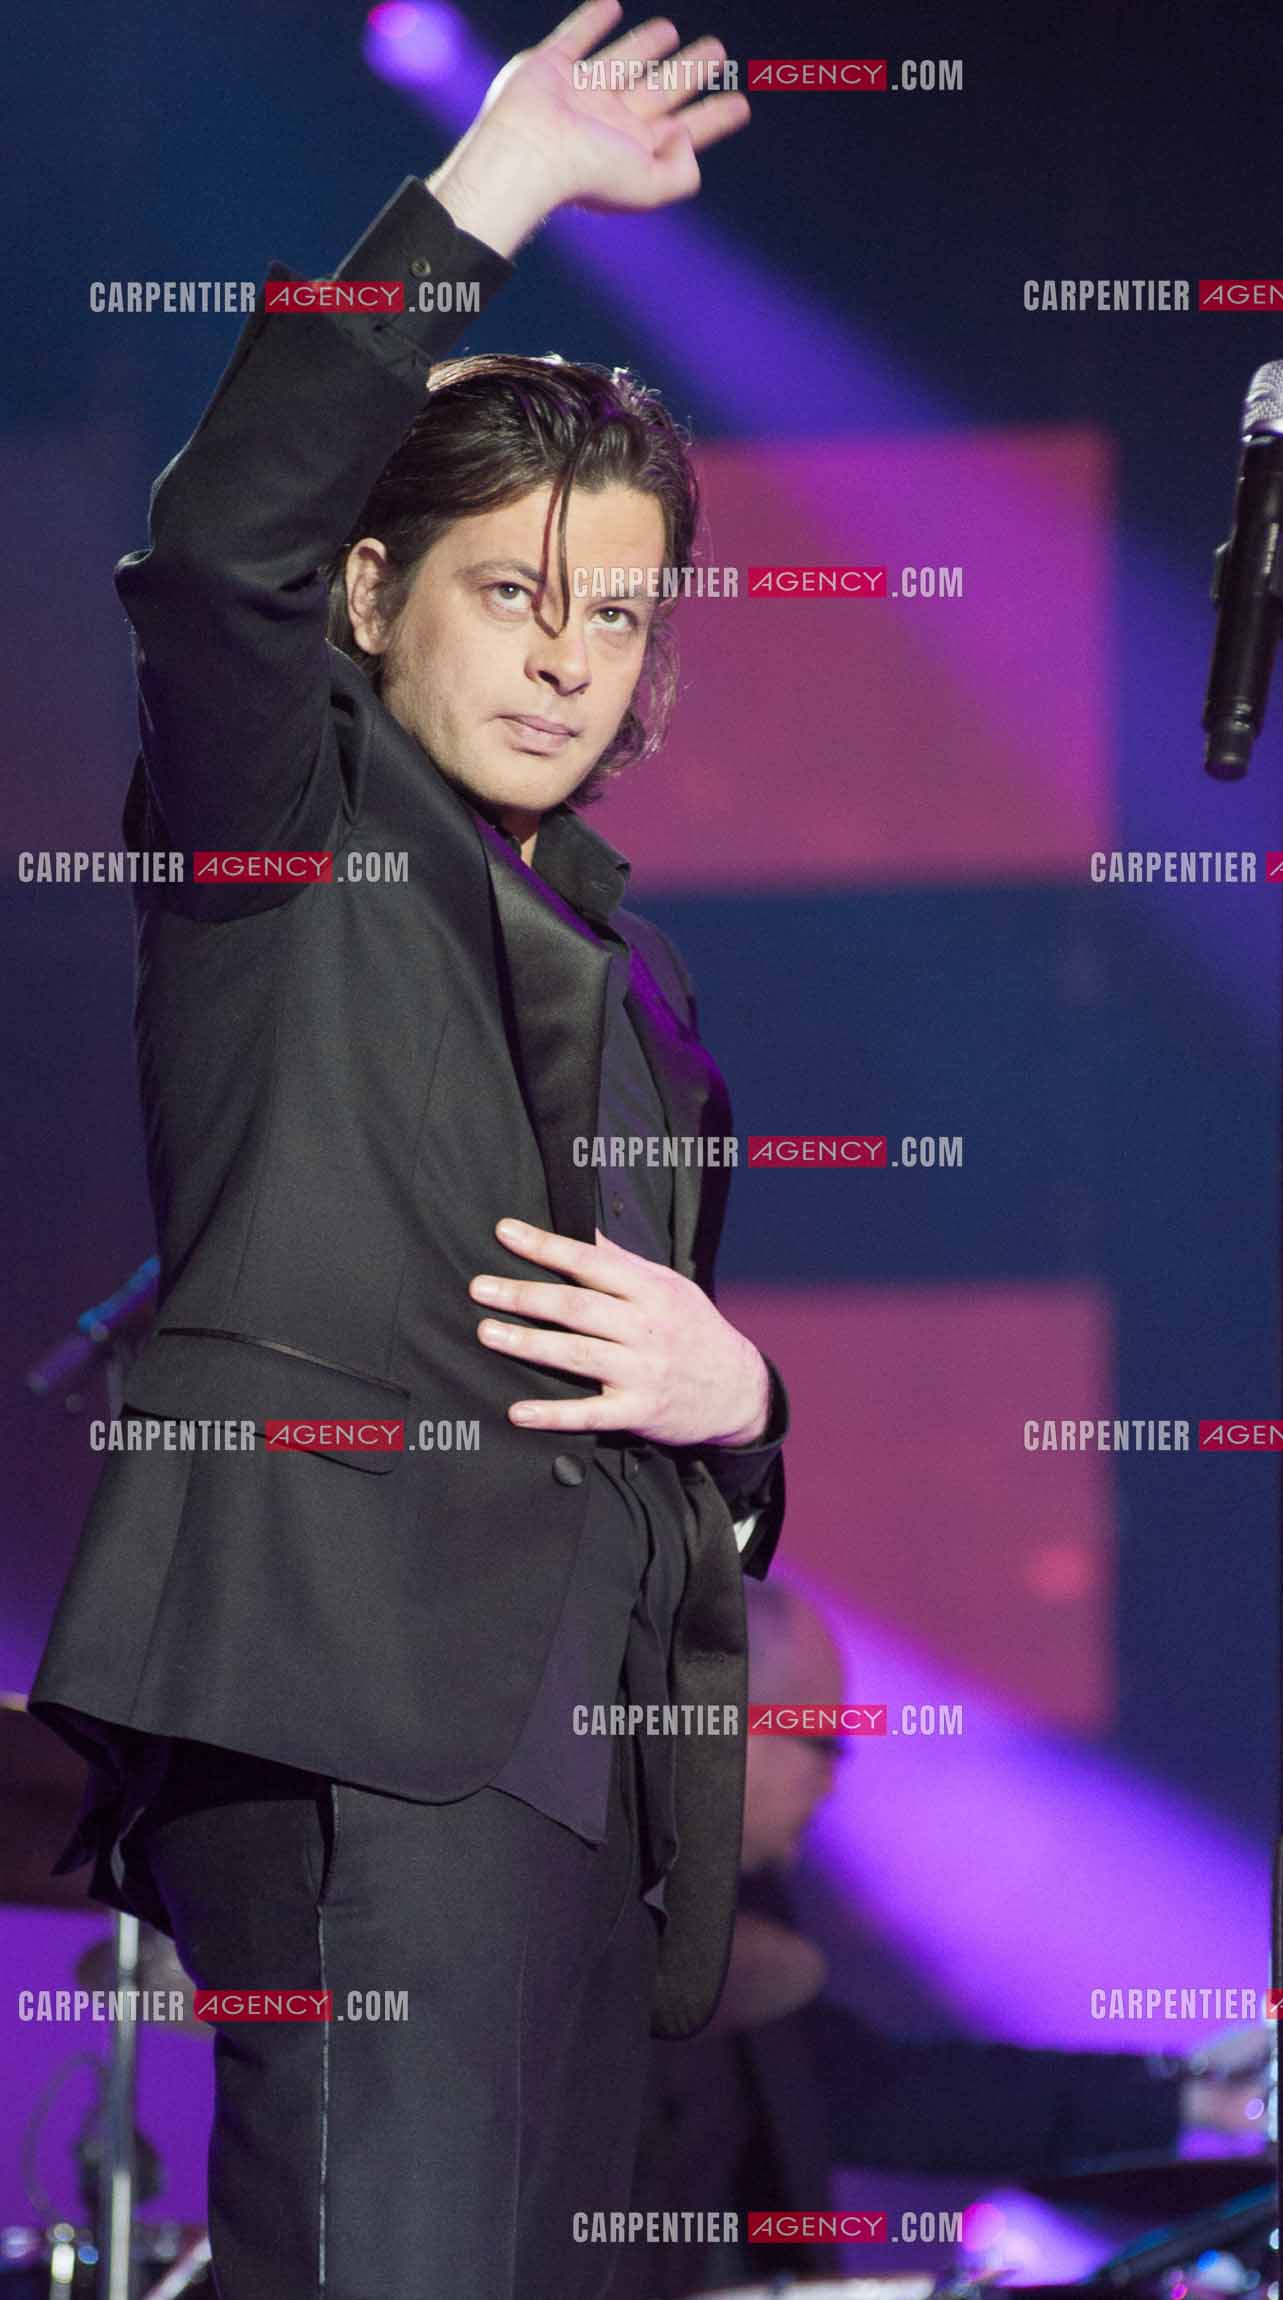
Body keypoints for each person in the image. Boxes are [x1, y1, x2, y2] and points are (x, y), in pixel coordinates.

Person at [29, 8, 787, 2296]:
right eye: (512, 589)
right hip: (352, 1701)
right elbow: (221, 536)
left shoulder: (633, 957)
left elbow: (657, 1381)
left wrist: (746, 1405)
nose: (571, 658)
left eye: (619, 609)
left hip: (578, 1776)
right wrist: (490, 188)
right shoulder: (296, 818)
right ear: (374, 603)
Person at [617, 1582, 1283, 2297]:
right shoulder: (577, 1907)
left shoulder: (753, 1902)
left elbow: (881, 2095)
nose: (835, 1784)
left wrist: (1185, 2089)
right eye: (826, 1745)